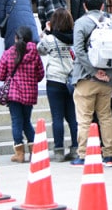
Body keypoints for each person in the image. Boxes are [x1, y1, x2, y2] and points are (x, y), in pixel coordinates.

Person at [70, 0, 112, 167]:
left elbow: (78, 50)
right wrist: (108, 74)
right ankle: (108, 156)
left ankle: (83, 155)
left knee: (84, 118)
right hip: (106, 80)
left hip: (85, 79)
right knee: (106, 117)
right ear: (102, 6)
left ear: (84, 6)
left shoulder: (81, 23)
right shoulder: (111, 24)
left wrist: (93, 71)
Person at [0, 24, 45, 163]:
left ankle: (19, 153)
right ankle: (34, 149)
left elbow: (0, 74)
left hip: (13, 94)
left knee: (17, 121)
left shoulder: (9, 53)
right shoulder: (34, 54)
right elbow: (40, 74)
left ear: (16, 38)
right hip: (29, 93)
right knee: (26, 121)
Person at [37, 9, 78, 162]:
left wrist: (46, 32)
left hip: (55, 80)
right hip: (72, 80)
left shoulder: (50, 39)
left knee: (57, 117)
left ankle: (59, 151)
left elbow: (39, 50)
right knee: (73, 117)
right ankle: (75, 148)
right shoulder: (75, 38)